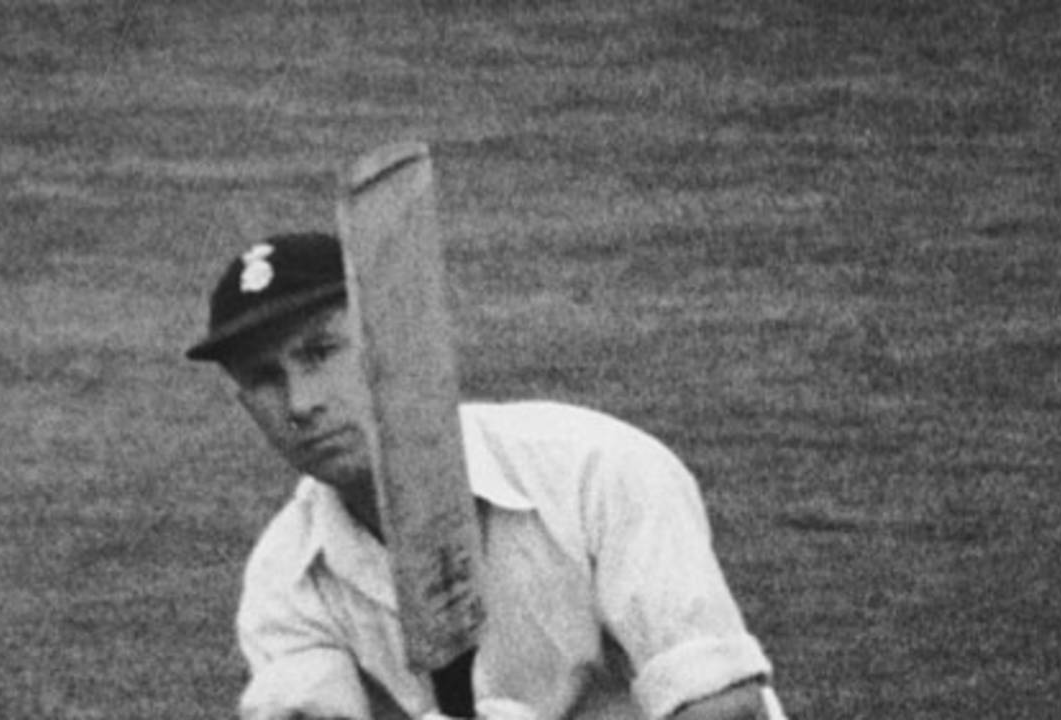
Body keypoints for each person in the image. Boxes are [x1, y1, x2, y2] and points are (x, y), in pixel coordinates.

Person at [185, 232, 787, 720]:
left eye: (321, 353)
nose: (299, 402)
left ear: (392, 344)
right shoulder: (286, 575)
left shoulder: (596, 469)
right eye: (265, 377)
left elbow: (725, 706)